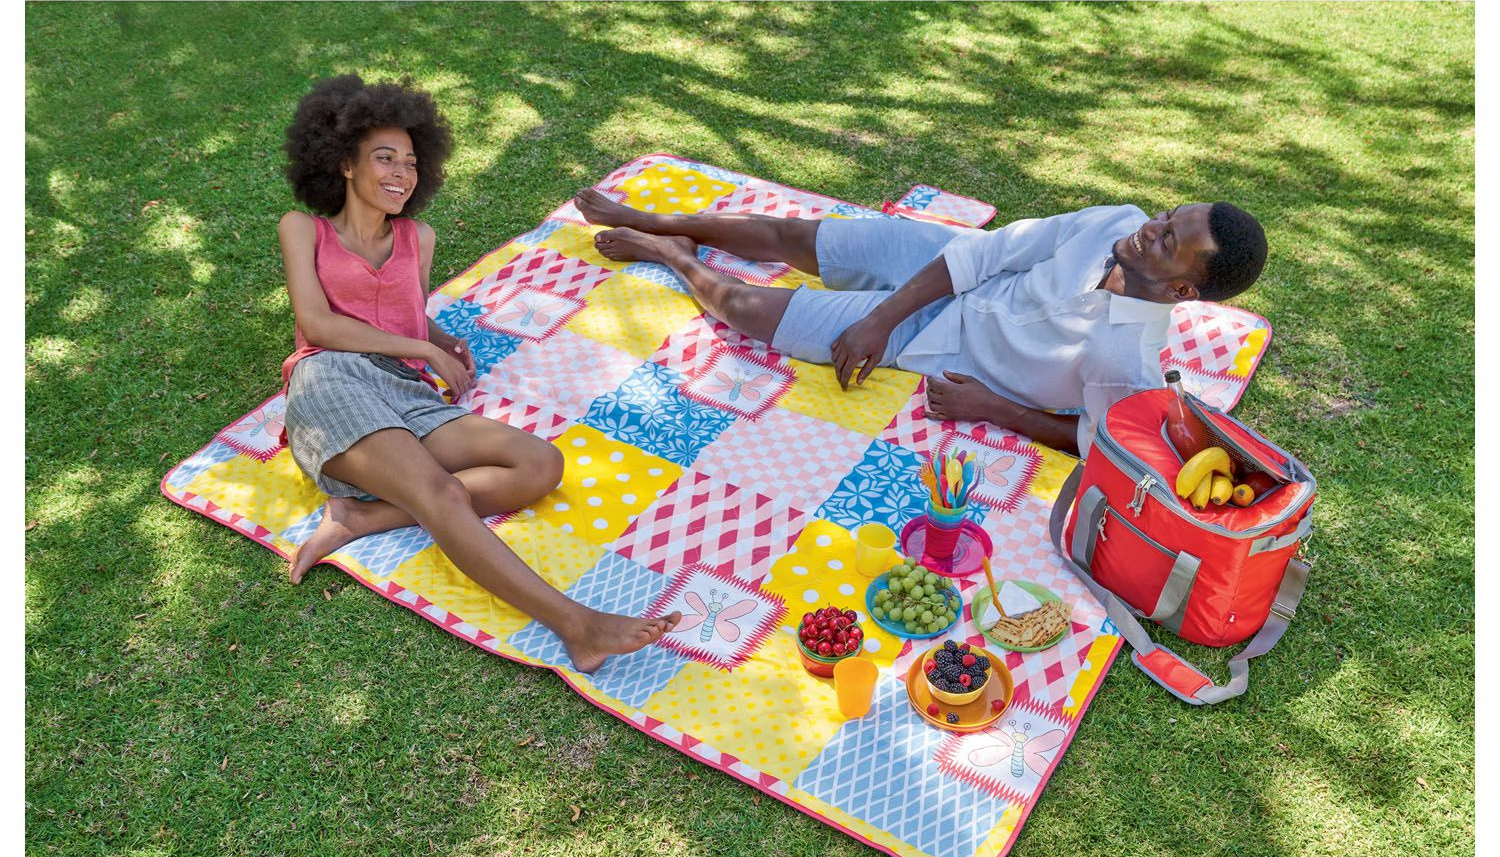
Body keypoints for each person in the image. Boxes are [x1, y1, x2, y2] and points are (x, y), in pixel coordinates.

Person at [278, 74, 678, 672]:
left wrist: (441, 340)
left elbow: (405, 307)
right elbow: (318, 323)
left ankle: (362, 515)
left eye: (411, 162)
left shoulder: (417, 237)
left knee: (540, 464)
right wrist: (424, 347)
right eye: (384, 158)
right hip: (330, 378)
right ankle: (578, 624)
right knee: (439, 491)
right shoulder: (303, 229)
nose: (401, 173)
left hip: (403, 388)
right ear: (343, 163)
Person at [570, 188, 1267, 456]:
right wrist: (881, 316)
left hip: (940, 341)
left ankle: (672, 255)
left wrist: (994, 408)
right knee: (801, 237)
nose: (1149, 228)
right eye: (1167, 216)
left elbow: (1096, 440)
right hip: (947, 269)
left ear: (1182, 288)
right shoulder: (1112, 223)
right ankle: (655, 218)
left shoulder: (1127, 358)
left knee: (748, 311)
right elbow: (991, 250)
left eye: (1167, 241)